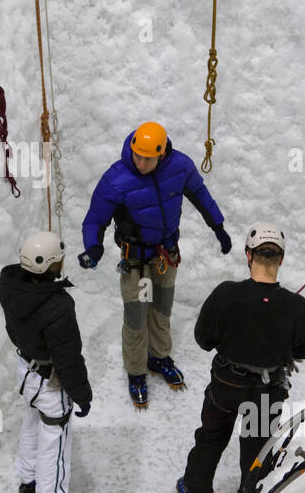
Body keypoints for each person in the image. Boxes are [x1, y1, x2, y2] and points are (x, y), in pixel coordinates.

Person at [77, 121, 232, 408]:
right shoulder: (117, 179)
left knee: (161, 309)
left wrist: (218, 227)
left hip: (165, 254)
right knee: (136, 316)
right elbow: (95, 219)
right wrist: (93, 248)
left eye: (147, 158)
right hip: (134, 259)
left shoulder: (180, 167)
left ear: (161, 154)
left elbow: (200, 195)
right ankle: (136, 371)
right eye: (137, 155)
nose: (141, 162)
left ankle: (159, 357)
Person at [176, 222, 305, 493]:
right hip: (267, 391)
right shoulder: (296, 306)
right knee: (257, 447)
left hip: (226, 385)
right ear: (280, 259)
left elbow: (203, 340)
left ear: (248, 255)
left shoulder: (226, 295)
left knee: (212, 437)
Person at [0, 231, 94, 493]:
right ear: (51, 265)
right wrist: (82, 394)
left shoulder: (11, 285)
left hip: (25, 369)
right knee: (56, 436)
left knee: (31, 421)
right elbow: (68, 358)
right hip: (49, 381)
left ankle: (29, 481)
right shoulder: (57, 307)